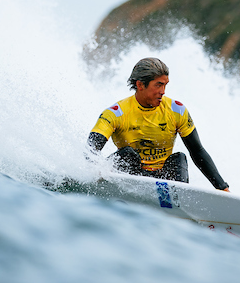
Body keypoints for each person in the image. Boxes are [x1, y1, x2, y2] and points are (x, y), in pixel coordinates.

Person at [87, 57, 229, 191]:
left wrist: (222, 187)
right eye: (158, 85)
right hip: (130, 178)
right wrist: (92, 175)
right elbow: (91, 151)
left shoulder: (176, 110)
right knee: (128, 155)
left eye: (165, 85)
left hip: (162, 180)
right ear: (140, 84)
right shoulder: (116, 113)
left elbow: (197, 151)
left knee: (179, 158)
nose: (163, 92)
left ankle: (179, 198)